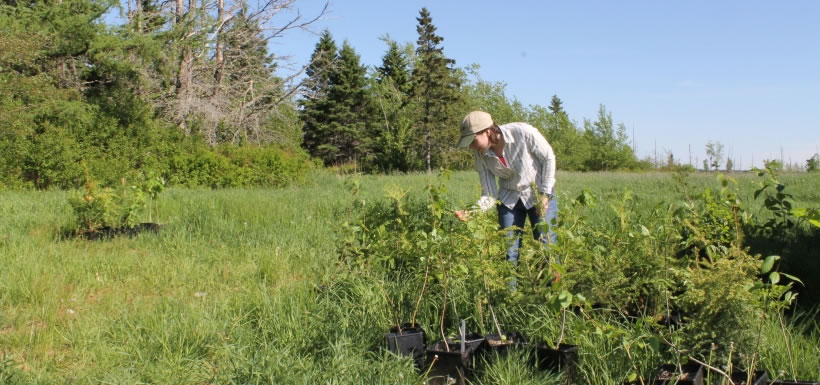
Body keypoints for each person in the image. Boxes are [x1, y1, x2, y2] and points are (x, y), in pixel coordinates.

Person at [454, 111, 557, 265]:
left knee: (546, 248)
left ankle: (550, 288)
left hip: (539, 195)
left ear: (487, 131)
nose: (470, 147)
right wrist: (472, 212)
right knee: (509, 253)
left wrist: (545, 194)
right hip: (509, 201)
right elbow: (489, 194)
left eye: (473, 141)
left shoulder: (523, 133)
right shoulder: (480, 155)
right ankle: (510, 289)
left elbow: (548, 157)